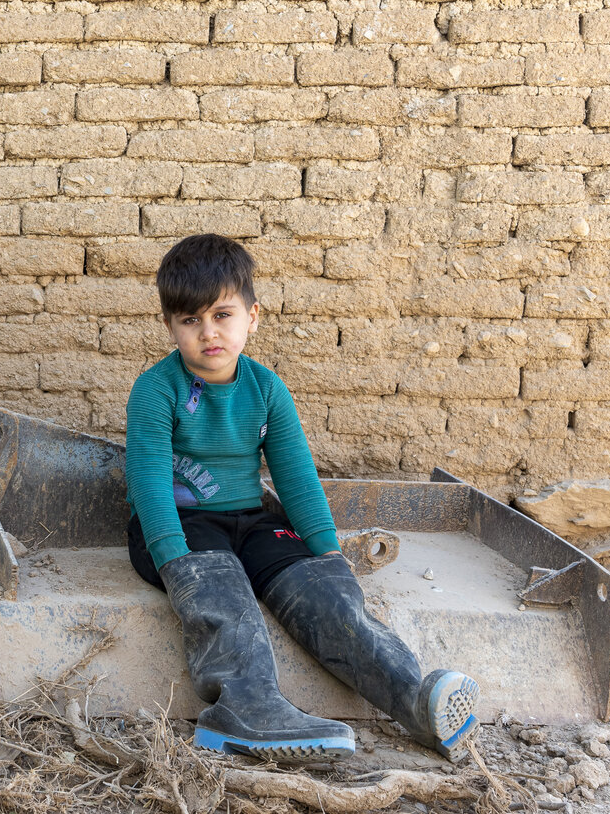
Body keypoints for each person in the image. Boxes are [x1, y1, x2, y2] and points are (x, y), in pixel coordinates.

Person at [124, 233, 480, 763]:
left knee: (327, 595)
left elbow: (296, 478)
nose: (208, 332)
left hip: (250, 521)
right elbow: (148, 482)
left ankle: (415, 700)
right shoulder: (157, 388)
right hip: (179, 524)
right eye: (190, 321)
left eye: (222, 315)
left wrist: (328, 551)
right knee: (223, 595)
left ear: (253, 315)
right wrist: (175, 561)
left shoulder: (266, 389)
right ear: (170, 325)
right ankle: (245, 710)